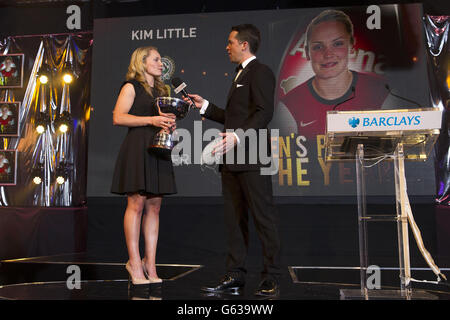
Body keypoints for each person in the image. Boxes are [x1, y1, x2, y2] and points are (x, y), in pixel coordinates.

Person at [187, 24, 281, 297]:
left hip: (253, 158)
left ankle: (272, 276)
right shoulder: (239, 75)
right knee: (234, 220)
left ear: (244, 45)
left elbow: (264, 113)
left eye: (230, 42)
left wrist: (239, 136)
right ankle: (235, 275)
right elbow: (235, 115)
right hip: (231, 160)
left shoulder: (260, 71)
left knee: (264, 219)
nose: (226, 47)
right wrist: (205, 106)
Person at [110, 46, 177, 287]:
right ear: (142, 62)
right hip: (137, 148)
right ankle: (134, 262)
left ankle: (151, 263)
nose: (161, 64)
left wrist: (167, 124)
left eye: (161, 59)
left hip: (157, 148)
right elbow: (118, 117)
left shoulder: (162, 89)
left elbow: (162, 119)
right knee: (136, 204)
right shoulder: (131, 87)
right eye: (157, 59)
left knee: (155, 207)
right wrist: (151, 119)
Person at [279, 9, 388, 137]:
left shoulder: (382, 93)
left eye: (337, 44)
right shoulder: (288, 107)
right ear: (308, 52)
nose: (328, 54)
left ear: (351, 46)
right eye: (318, 47)